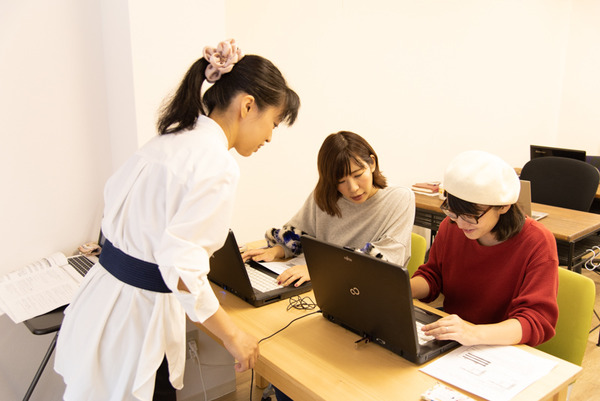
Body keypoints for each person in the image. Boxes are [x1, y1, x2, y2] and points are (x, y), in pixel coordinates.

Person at [54, 39, 300, 401]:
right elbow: (182, 268)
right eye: (273, 123)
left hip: (102, 302)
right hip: (135, 321)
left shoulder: (169, 139)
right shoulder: (216, 164)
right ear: (248, 106)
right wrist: (233, 336)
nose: (269, 137)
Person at [411, 150, 559, 347]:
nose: (461, 224)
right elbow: (434, 275)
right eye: (453, 212)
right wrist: (400, 289)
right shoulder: (451, 225)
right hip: (458, 338)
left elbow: (536, 319)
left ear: (503, 206)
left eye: (471, 216)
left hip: (501, 344)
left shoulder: (537, 241)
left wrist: (474, 333)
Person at [243, 130, 415, 287]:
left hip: (364, 289)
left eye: (357, 175)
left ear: (372, 163)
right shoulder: (326, 196)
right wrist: (275, 251)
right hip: (320, 285)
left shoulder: (399, 198)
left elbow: (386, 263)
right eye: (341, 181)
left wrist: (320, 271)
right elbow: (301, 236)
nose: (353, 188)